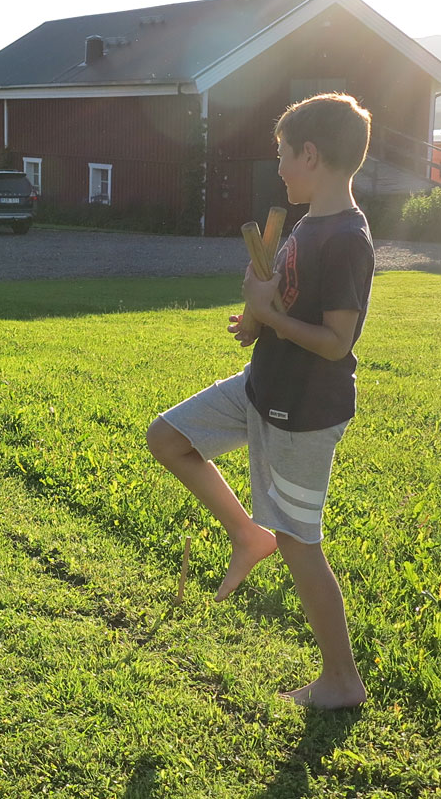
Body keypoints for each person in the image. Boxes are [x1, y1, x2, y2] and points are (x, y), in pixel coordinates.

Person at [145, 93, 375, 710]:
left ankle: (341, 681)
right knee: (166, 437)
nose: (277, 167)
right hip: (261, 384)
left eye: (282, 155)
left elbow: (335, 342)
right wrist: (261, 322)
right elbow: (289, 302)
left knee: (301, 542)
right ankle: (248, 535)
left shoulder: (346, 238)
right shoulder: (305, 223)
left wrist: (271, 312)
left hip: (304, 413)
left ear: (311, 153)